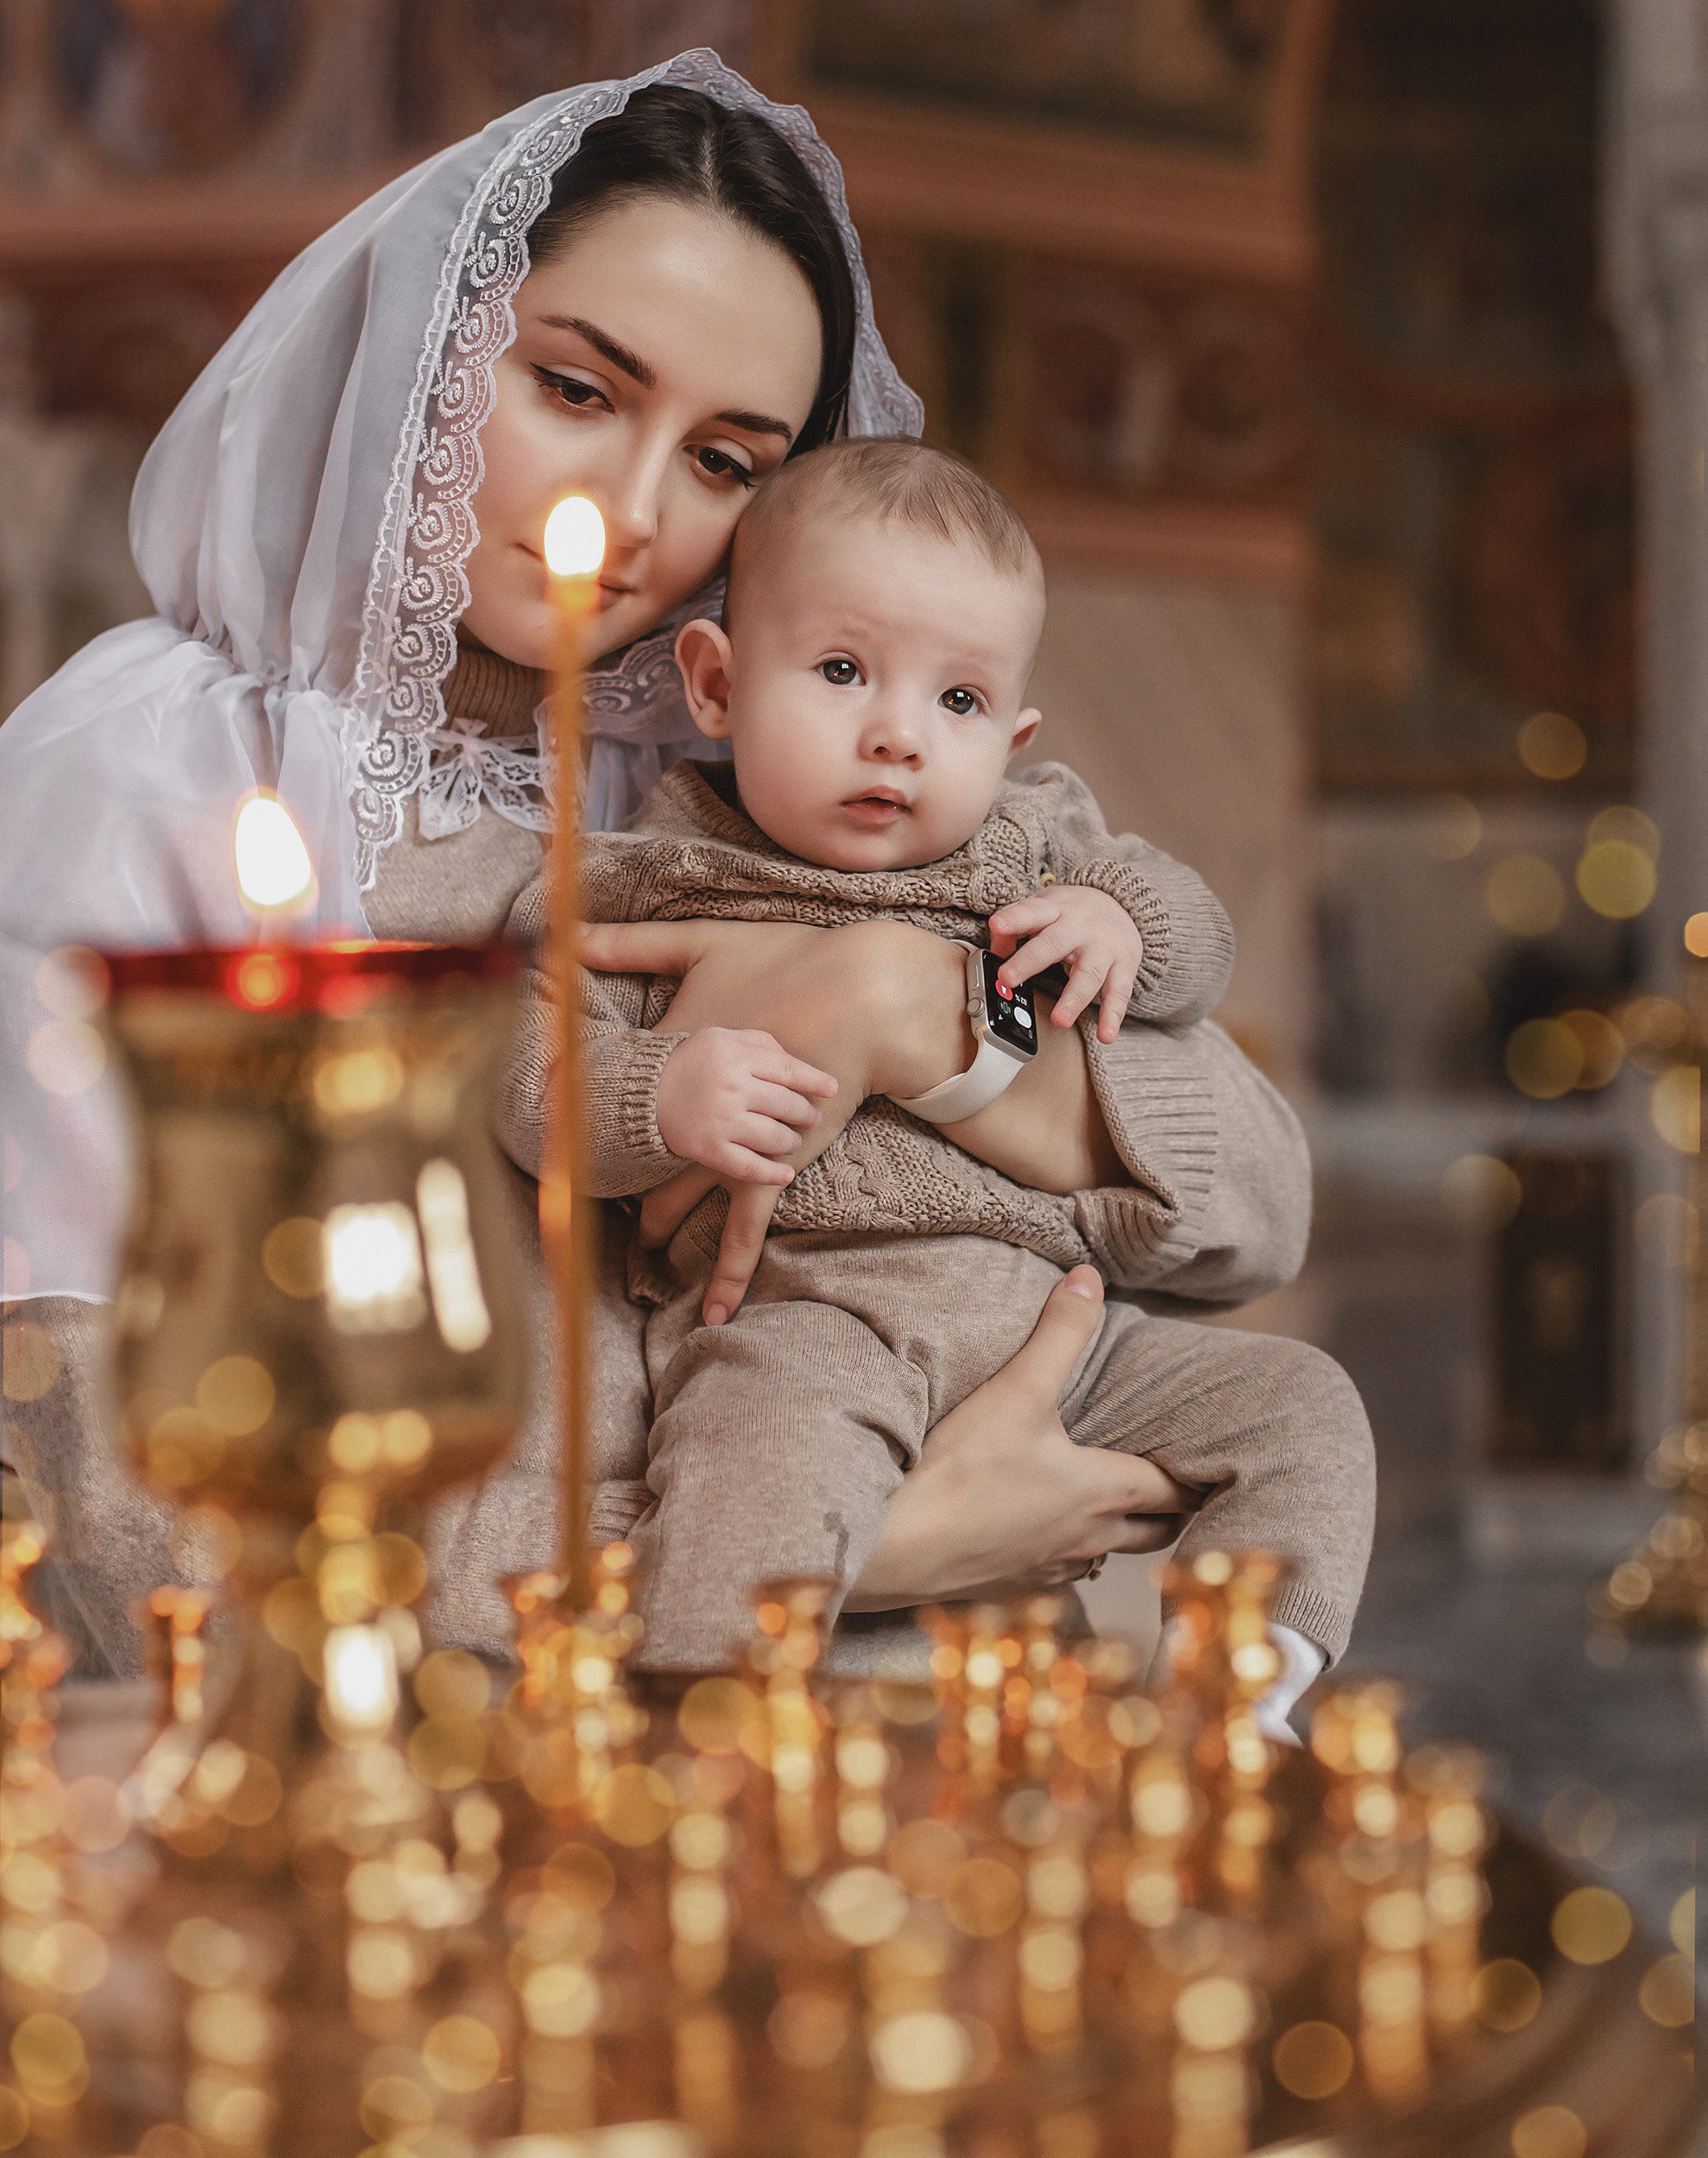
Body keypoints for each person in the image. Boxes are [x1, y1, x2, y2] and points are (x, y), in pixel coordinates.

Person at [0, 56, 1345, 1681]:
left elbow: (1255, 1217)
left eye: (724, 462)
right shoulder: (144, 777)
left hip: (885, 1726)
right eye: (576, 390)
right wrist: (854, 1551)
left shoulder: (750, 759)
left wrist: (913, 1010)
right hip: (446, 1760)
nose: (631, 515)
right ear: (422, 349)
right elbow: (125, 1510)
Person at [495, 439, 1371, 1701]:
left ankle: (1237, 1696)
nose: (898, 736)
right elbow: (530, 1073)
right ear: (718, 684)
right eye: (842, 671)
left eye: (959, 702)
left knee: (1300, 1405)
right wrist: (661, 1095)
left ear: (1013, 736)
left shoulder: (1035, 841)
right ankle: (710, 1746)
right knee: (751, 1482)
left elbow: (1194, 937)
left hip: (1058, 1331)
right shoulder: (644, 881)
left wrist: (1125, 924)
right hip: (804, 1326)